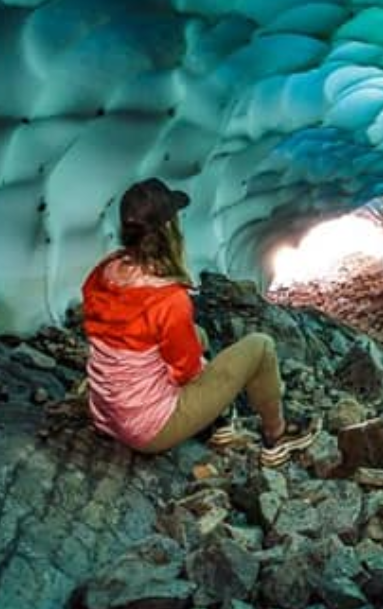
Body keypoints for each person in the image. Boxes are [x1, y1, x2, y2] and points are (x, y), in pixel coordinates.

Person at [81, 178, 318, 466]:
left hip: (106, 412)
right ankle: (277, 435)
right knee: (260, 347)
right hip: (149, 429)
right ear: (169, 228)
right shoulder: (166, 298)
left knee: (198, 335)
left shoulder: (106, 270)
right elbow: (187, 372)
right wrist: (216, 378)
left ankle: (217, 425)